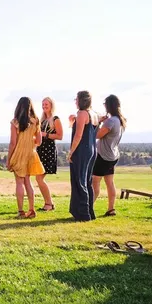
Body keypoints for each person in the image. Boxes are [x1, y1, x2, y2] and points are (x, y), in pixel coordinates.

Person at [6, 97, 45, 219]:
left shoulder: (15, 122)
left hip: (19, 154)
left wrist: (8, 159)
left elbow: (13, 143)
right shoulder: (36, 121)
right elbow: (39, 141)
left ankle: (21, 211)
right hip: (31, 154)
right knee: (28, 182)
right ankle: (31, 210)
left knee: (19, 182)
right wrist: (30, 139)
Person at [92, 95, 126, 217]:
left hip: (103, 156)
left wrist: (98, 122)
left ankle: (88, 207)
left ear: (109, 105)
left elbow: (97, 135)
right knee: (109, 182)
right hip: (113, 155)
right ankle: (111, 208)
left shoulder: (110, 121)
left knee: (95, 182)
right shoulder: (120, 121)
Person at [67, 91, 98, 221]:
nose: (75, 101)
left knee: (79, 181)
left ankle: (83, 214)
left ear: (81, 100)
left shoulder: (82, 113)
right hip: (92, 150)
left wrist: (71, 152)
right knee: (87, 182)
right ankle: (89, 212)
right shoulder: (93, 114)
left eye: (76, 99)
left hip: (81, 150)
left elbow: (78, 135)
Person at [35, 97, 63, 211]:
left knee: (39, 178)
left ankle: (49, 203)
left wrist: (45, 134)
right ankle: (48, 203)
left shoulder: (55, 119)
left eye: (46, 104)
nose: (44, 106)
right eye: (43, 104)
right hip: (41, 150)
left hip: (49, 150)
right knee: (38, 178)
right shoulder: (42, 119)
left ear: (51, 105)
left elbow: (60, 136)